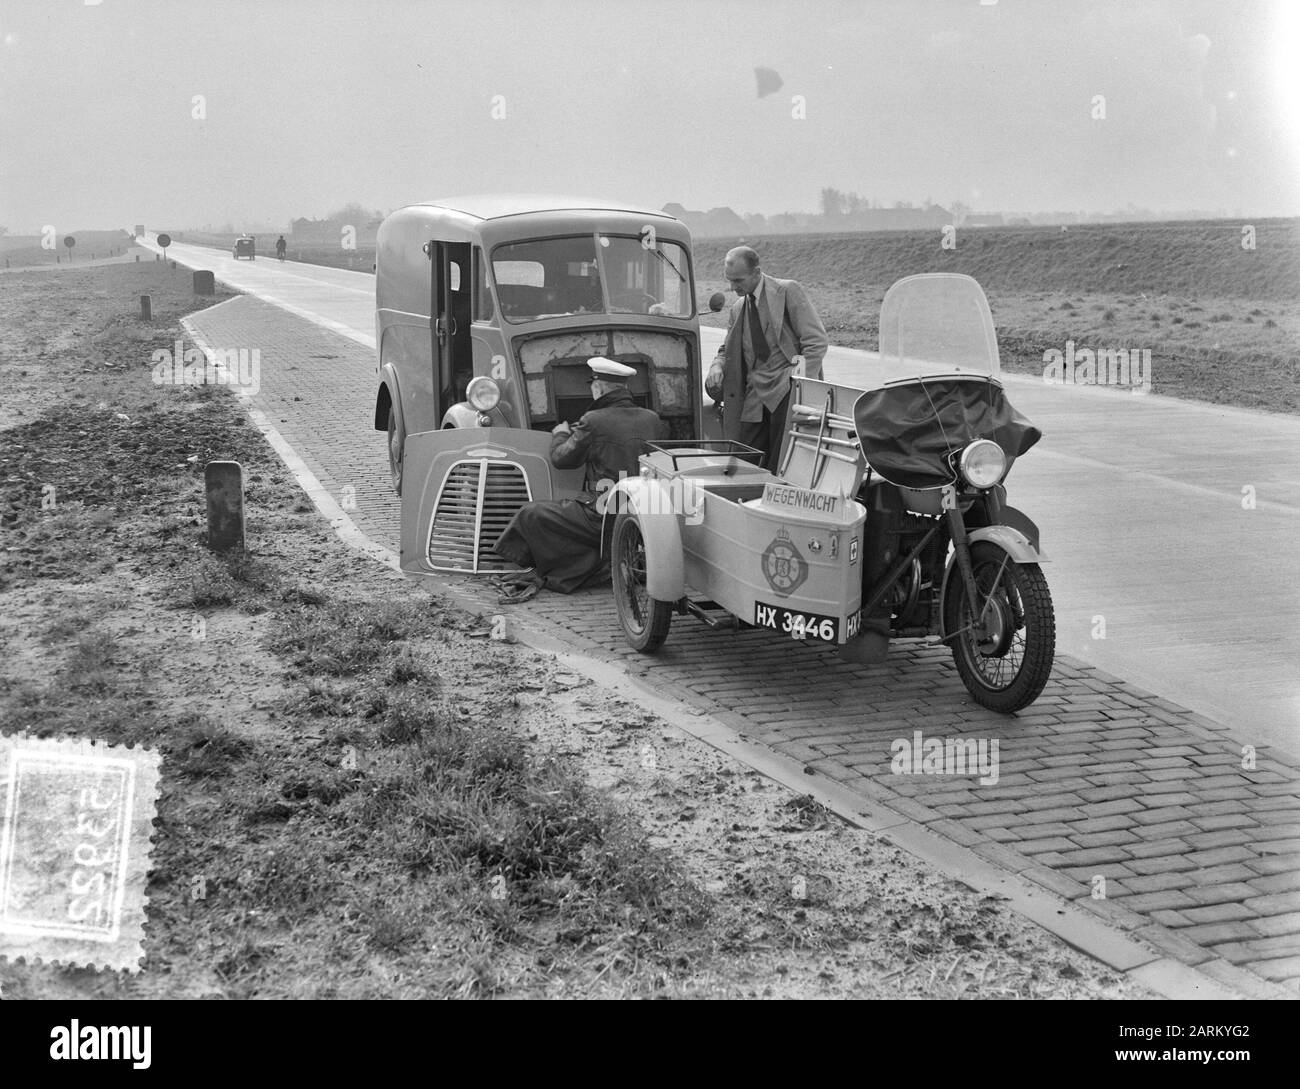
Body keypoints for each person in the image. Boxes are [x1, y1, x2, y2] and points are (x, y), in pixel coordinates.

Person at [492, 357, 664, 595]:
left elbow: (562, 459)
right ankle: (605, 565)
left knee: (531, 514)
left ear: (598, 387)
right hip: (641, 509)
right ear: (625, 387)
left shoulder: (593, 420)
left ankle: (553, 571)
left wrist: (561, 435)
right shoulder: (651, 418)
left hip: (601, 513)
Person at [705, 246, 828, 470]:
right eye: (729, 281)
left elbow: (816, 341)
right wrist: (717, 366)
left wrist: (798, 383)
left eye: (738, 280)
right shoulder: (738, 308)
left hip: (785, 390)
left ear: (757, 272)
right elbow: (726, 348)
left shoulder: (788, 291)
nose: (733, 287)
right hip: (754, 395)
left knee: (784, 462)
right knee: (745, 460)